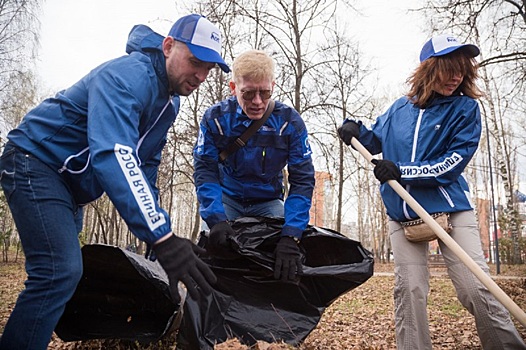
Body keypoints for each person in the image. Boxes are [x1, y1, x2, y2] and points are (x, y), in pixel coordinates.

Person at [0, 14, 229, 350]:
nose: (201, 75)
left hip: (68, 187)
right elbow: (115, 155)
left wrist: (154, 240)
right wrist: (162, 236)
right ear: (168, 46)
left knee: (63, 275)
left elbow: (146, 167)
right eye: (195, 62)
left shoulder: (169, 104)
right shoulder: (128, 76)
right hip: (35, 162)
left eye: (209, 68)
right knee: (57, 272)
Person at [338, 33, 526, 349]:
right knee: (409, 291)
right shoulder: (399, 109)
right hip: (403, 214)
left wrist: (402, 171)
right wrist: (354, 129)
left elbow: (451, 163)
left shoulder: (465, 109)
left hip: (452, 209)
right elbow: (373, 139)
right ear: (428, 68)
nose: (456, 77)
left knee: (474, 288)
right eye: (448, 68)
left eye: (463, 69)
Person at [193, 49, 315, 282]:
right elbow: (205, 171)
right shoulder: (215, 120)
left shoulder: (289, 122)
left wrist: (292, 235)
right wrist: (215, 218)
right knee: (214, 256)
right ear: (233, 88)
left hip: (268, 202)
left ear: (273, 86)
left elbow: (303, 180)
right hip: (227, 200)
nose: (257, 102)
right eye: (248, 94)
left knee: (286, 259)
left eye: (265, 92)